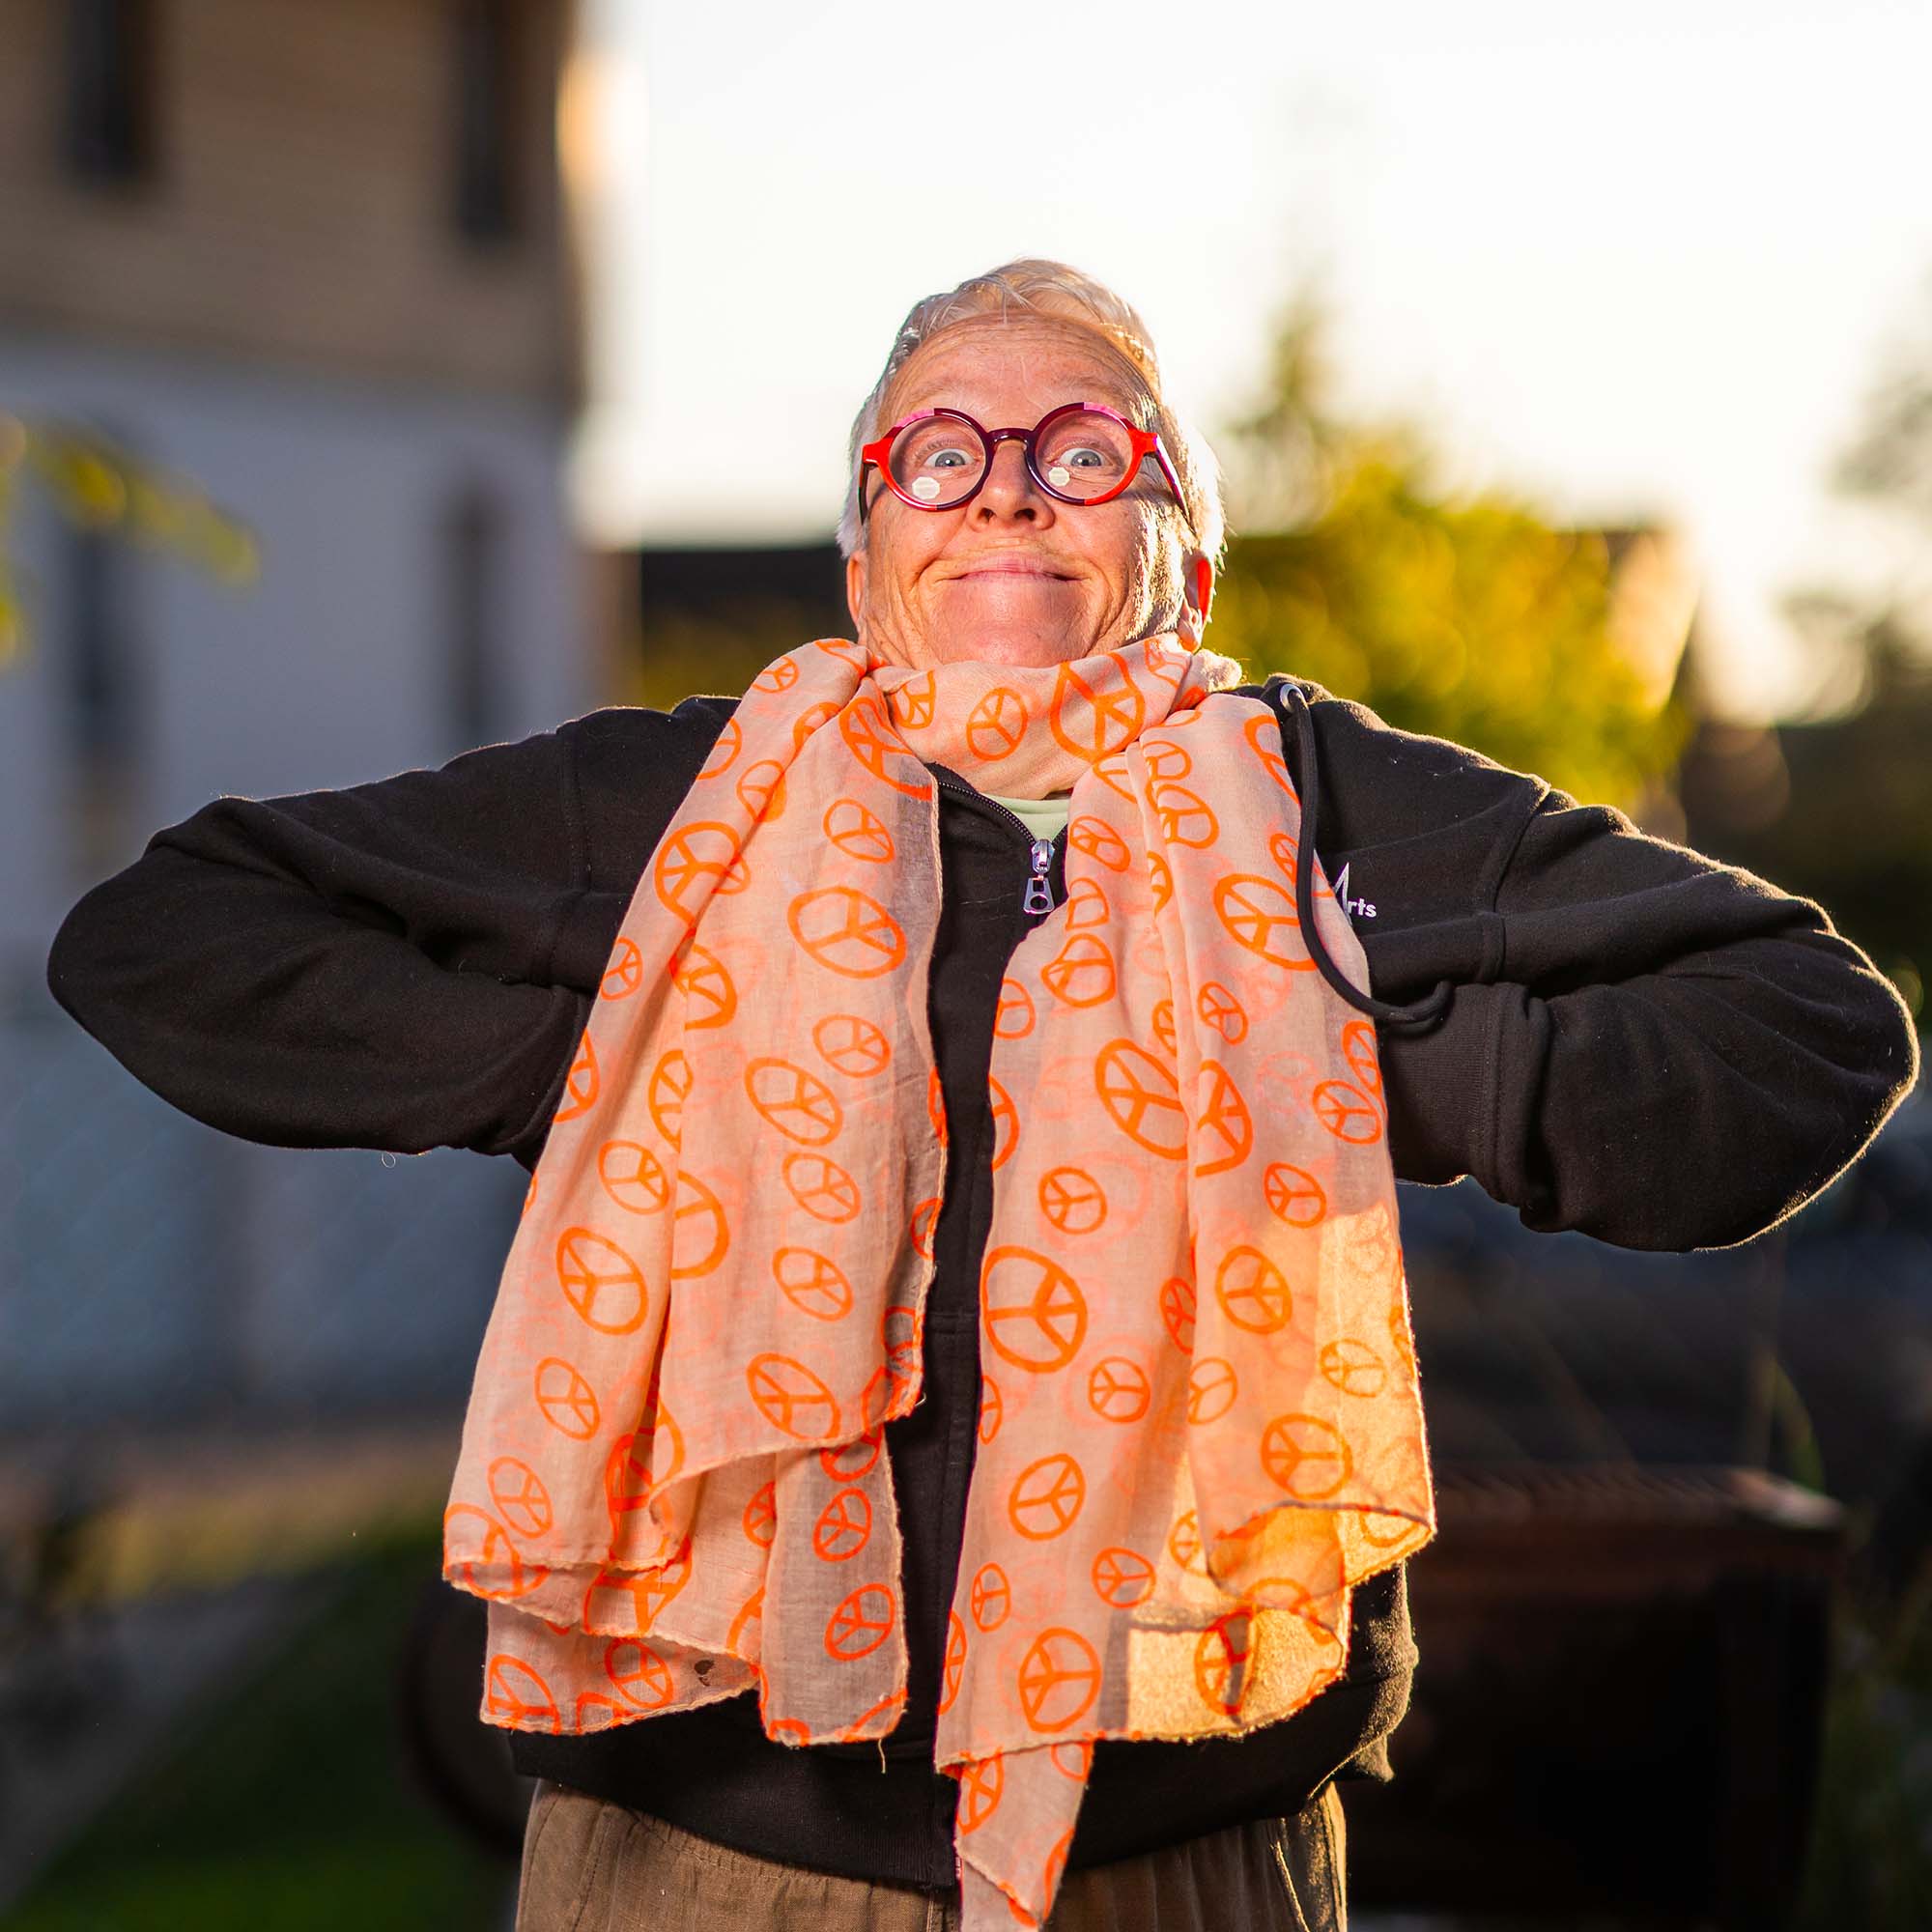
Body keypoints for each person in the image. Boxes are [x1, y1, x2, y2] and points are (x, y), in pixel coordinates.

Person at [44, 260, 1918, 1932]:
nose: (1008, 485)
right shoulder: (681, 816)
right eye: (938, 453)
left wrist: (1345, 1065)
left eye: (1083, 449)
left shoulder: (1326, 807)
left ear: (1184, 551)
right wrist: (614, 1066)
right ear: (867, 558)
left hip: (1184, 1855)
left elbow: (1805, 1029)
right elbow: (165, 935)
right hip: (702, 1858)